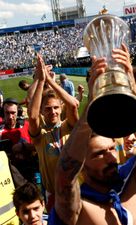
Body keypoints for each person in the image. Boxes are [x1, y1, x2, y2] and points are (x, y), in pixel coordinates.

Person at [50, 43, 136, 225]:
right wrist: (93, 102)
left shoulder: (131, 178)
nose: (111, 156)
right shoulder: (78, 205)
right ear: (82, 164)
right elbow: (64, 176)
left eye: (111, 148)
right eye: (99, 153)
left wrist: (132, 87)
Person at [28, 55, 79, 212]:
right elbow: (32, 116)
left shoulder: (68, 126)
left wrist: (51, 82)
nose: (53, 112)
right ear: (42, 110)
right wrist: (41, 80)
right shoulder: (40, 135)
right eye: (48, 108)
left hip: (77, 191)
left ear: (61, 108)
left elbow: (73, 105)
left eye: (56, 107)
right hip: (54, 195)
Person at [0, 151, 26, 225]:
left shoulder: (2, 157)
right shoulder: (2, 157)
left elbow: (22, 186)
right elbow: (22, 185)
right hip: (14, 219)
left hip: (15, 220)